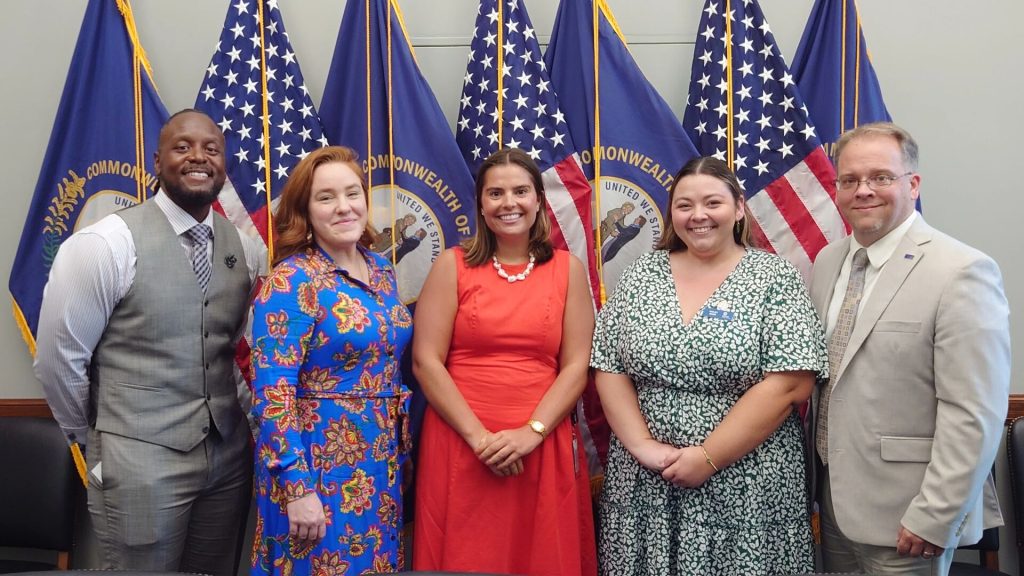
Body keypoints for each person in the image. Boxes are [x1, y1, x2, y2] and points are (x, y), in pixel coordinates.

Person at [33, 109, 264, 576]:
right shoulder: (105, 244)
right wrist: (102, 438)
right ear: (157, 162)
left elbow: (231, 349)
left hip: (226, 461)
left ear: (224, 164)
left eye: (211, 149)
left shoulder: (244, 246)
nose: (198, 157)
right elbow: (59, 362)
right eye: (183, 147)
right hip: (136, 464)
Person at [591, 156, 827, 575]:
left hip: (749, 480)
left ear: (738, 208)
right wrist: (645, 448)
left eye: (712, 203)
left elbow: (792, 383)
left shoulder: (774, 277)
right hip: (648, 481)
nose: (698, 215)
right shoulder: (641, 274)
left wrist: (707, 457)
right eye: (684, 205)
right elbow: (608, 366)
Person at [810, 122, 1010, 576]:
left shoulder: (961, 270)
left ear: (913, 184)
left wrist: (935, 516)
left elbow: (973, 411)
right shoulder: (828, 262)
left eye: (880, 177)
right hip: (835, 507)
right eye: (849, 180)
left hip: (909, 518)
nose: (863, 190)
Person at [412, 148, 597, 576]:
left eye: (520, 191)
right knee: (465, 556)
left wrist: (530, 433)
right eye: (495, 193)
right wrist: (480, 439)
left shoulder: (567, 269)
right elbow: (426, 362)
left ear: (538, 201)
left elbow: (576, 366)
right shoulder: (451, 265)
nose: (508, 203)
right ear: (480, 204)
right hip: (461, 443)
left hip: (540, 442)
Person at [249, 146, 413, 575]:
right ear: (306, 209)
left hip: (380, 466)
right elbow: (271, 394)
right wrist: (297, 488)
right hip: (315, 471)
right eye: (326, 197)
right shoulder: (291, 280)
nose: (344, 207)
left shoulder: (381, 270)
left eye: (352, 193)